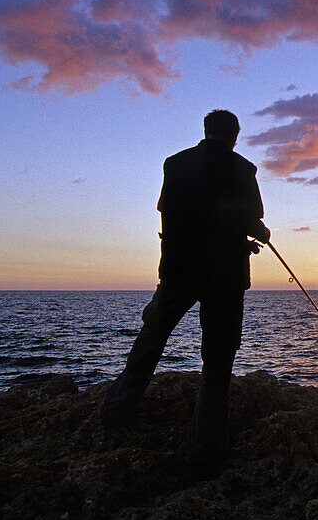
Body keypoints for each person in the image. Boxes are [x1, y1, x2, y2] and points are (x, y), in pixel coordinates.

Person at [101, 109, 270, 476]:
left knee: (152, 338)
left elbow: (168, 211)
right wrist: (263, 234)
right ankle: (206, 452)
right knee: (217, 360)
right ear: (235, 136)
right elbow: (250, 219)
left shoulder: (173, 164)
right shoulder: (244, 170)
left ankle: (116, 410)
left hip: (177, 271)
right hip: (225, 277)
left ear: (206, 131)